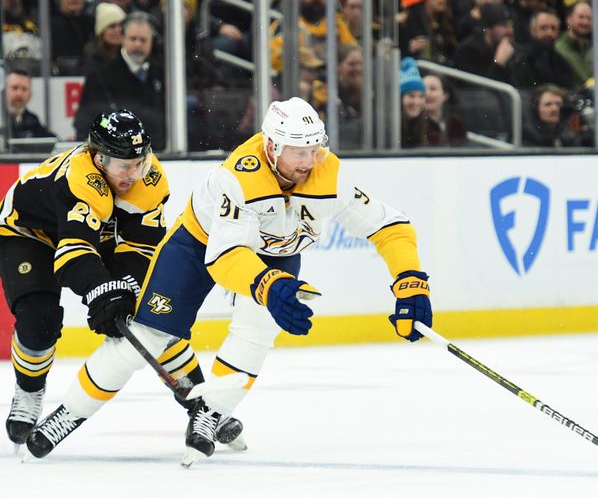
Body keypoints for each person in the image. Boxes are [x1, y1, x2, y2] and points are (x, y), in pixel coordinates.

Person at [26, 97, 433, 464]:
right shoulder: (238, 178)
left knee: (256, 331)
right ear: (272, 146)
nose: (308, 161)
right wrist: (270, 286)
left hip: (276, 253)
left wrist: (410, 281)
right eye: (297, 151)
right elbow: (224, 258)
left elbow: (390, 226)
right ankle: (70, 412)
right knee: (148, 334)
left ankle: (210, 412)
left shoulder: (332, 176)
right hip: (198, 245)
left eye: (314, 148)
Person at [1, 110, 240, 451]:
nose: (132, 174)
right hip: (29, 233)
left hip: (98, 234)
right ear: (98, 159)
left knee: (150, 315)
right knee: (40, 319)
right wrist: (102, 292)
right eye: (122, 166)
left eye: (139, 163)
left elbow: (142, 248)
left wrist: (124, 291)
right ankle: (29, 389)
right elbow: (73, 253)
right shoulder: (79, 179)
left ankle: (197, 402)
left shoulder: (151, 179)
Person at [74, 12, 166, 149]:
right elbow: (85, 121)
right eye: (133, 39)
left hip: (159, 153)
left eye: (143, 40)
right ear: (123, 38)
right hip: (116, 156)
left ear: (152, 41)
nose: (138, 44)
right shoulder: (100, 75)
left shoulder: (162, 73)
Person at [5, 68, 56, 139]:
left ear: (30, 95)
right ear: (4, 91)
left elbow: (50, 140)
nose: (19, 94)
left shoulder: (32, 121)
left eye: (24, 89)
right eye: (14, 88)